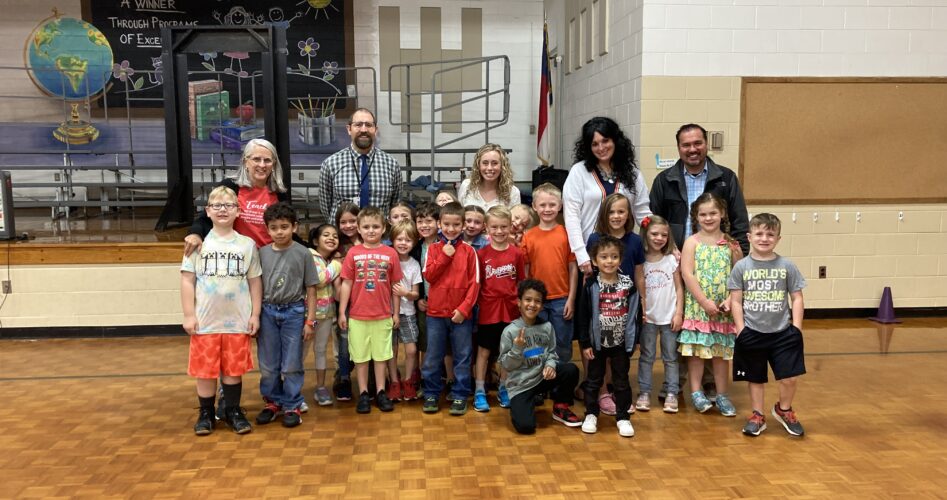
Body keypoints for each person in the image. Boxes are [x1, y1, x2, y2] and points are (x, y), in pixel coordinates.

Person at [182, 185, 262, 435]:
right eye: (217, 205)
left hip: (237, 321)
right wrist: (189, 315)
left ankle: (232, 410)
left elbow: (255, 281)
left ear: (238, 211)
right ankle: (206, 413)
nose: (223, 210)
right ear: (208, 211)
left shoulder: (247, 245)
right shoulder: (197, 244)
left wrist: (255, 314)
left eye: (229, 205)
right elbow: (187, 280)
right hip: (206, 322)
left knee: (233, 370)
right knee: (205, 371)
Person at [728, 213, 807, 437]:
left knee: (789, 377)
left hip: (783, 333)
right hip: (752, 332)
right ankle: (757, 415)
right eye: (759, 234)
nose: (764, 238)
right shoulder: (741, 267)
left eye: (770, 234)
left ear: (778, 239)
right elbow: (736, 301)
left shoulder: (787, 266)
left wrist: (797, 328)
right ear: (749, 237)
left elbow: (797, 297)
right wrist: (741, 329)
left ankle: (784, 409)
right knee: (755, 378)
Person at [255, 203, 319, 428]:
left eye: (284, 227)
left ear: (294, 227)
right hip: (267, 312)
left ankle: (292, 404)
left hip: (294, 312)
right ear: (267, 229)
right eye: (274, 228)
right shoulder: (262, 253)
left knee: (292, 363)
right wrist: (255, 315)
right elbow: (256, 287)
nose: (279, 232)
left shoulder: (303, 253)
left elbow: (311, 289)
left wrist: (310, 320)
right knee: (268, 364)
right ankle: (273, 402)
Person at [679, 192, 743, 417]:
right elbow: (687, 274)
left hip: (723, 310)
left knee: (720, 354)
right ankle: (696, 392)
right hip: (699, 308)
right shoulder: (691, 242)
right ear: (696, 216)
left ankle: (722, 394)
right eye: (703, 214)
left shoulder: (731, 244)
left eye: (713, 213)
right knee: (697, 352)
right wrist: (704, 302)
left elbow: (738, 274)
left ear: (722, 213)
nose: (708, 218)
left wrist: (730, 300)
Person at [563, 117, 651, 278]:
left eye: (605, 141)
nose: (601, 148)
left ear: (615, 140)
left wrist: (660, 234)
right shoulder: (579, 172)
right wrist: (581, 254)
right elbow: (572, 216)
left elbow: (642, 212)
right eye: (595, 144)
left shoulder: (632, 173)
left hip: (624, 254)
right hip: (590, 256)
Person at [584, 193, 646, 415]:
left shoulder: (635, 241)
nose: (616, 216)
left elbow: (639, 275)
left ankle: (614, 392)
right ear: (604, 214)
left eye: (621, 211)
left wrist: (643, 303)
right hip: (600, 306)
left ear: (628, 214)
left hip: (624, 307)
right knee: (599, 352)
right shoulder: (594, 239)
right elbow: (588, 277)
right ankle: (600, 393)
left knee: (619, 353)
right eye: (612, 211)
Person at [337, 206, 403, 414]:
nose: (371, 230)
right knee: (361, 357)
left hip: (383, 315)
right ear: (359, 229)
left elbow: (395, 286)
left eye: (375, 226)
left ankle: (381, 391)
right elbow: (346, 283)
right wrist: (342, 312)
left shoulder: (390, 253)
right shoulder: (353, 253)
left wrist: (396, 313)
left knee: (381, 356)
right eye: (366, 227)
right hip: (358, 316)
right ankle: (364, 392)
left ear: (383, 228)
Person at [649, 123, 749, 256]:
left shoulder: (726, 178)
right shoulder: (664, 180)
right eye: (686, 145)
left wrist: (741, 258)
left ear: (706, 144)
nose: (692, 149)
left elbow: (740, 222)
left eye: (697, 143)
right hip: (674, 258)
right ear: (678, 148)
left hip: (717, 259)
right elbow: (653, 221)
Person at [498, 279, 582, 434]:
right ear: (519, 302)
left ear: (542, 306)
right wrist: (517, 349)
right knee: (525, 427)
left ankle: (560, 407)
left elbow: (551, 353)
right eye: (528, 300)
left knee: (570, 370)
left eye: (537, 301)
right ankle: (524, 403)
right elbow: (506, 365)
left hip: (541, 378)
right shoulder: (509, 331)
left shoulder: (547, 327)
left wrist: (550, 365)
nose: (532, 304)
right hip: (521, 385)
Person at [420, 201, 480, 415]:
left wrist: (464, 309)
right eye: (446, 224)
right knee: (433, 356)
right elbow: (429, 276)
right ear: (439, 224)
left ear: (463, 225)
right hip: (436, 314)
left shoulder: (470, 251)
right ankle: (431, 393)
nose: (451, 229)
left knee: (462, 356)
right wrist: (445, 256)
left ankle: (460, 394)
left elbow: (475, 283)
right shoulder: (433, 249)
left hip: (461, 315)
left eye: (456, 224)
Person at [576, 235, 639, 438]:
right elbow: (583, 316)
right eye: (604, 257)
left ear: (620, 260)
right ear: (595, 261)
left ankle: (623, 417)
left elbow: (635, 314)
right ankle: (591, 414)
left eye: (614, 257)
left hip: (620, 343)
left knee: (621, 381)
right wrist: (585, 343)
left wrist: (634, 340)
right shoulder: (591, 285)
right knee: (593, 380)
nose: (609, 261)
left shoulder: (629, 285)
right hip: (597, 344)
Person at [184, 138, 292, 255]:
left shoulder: (279, 192)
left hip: (270, 256)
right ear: (246, 162)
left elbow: (287, 227)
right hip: (236, 255)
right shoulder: (230, 187)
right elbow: (205, 219)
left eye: (267, 160)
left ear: (273, 164)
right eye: (256, 159)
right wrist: (195, 234)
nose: (262, 165)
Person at [474, 206, 525, 412]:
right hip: (488, 309)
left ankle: (504, 387)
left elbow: (521, 282)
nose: (499, 231)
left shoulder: (517, 253)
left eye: (503, 226)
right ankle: (479, 390)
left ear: (510, 227)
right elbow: (477, 284)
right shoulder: (481, 254)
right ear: (486, 228)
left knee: (507, 351)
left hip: (511, 310)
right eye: (494, 227)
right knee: (484, 351)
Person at [522, 183, 577, 362]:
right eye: (543, 205)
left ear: (560, 206)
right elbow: (526, 271)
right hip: (536, 299)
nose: (547, 209)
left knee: (562, 343)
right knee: (535, 343)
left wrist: (571, 299)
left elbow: (572, 268)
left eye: (552, 205)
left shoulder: (567, 234)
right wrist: (525, 299)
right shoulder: (528, 236)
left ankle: (561, 377)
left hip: (561, 299)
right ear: (534, 206)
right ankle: (537, 377)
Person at [319, 108, 402, 224]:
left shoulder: (392, 164)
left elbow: (395, 206)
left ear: (375, 130)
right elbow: (326, 207)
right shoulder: (330, 164)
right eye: (358, 125)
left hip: (378, 233)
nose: (364, 129)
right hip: (343, 233)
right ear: (349, 129)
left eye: (369, 125)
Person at [636, 215, 684, 413]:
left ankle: (672, 392)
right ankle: (644, 392)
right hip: (648, 318)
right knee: (647, 356)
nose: (659, 238)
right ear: (645, 234)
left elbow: (679, 288)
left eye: (664, 235)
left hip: (669, 317)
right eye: (654, 234)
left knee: (670, 357)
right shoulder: (640, 261)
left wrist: (679, 312)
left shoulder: (671, 260)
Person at [305, 223, 342, 407]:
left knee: (320, 351)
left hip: (327, 315)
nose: (331, 238)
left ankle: (320, 387)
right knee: (300, 353)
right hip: (308, 316)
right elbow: (319, 279)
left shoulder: (329, 261)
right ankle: (291, 391)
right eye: (326, 235)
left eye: (335, 236)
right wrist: (337, 264)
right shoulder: (310, 256)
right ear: (315, 240)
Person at [388, 220, 423, 402]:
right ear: (392, 240)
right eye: (399, 239)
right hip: (388, 313)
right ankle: (394, 381)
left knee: (411, 350)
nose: (403, 243)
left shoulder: (414, 265)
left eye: (408, 240)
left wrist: (406, 293)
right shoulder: (388, 260)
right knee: (391, 350)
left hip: (408, 313)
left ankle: (408, 380)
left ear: (414, 243)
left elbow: (416, 294)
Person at [331, 201, 360, 402]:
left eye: (352, 221)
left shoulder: (369, 239)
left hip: (367, 299)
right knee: (344, 340)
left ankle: (373, 377)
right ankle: (343, 377)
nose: (348, 225)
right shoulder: (337, 246)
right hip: (344, 300)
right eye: (343, 222)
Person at [456, 143, 522, 210]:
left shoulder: (512, 192)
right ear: (478, 165)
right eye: (485, 163)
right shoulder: (467, 186)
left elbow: (516, 216)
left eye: (495, 163)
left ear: (502, 166)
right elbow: (459, 214)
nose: (489, 168)